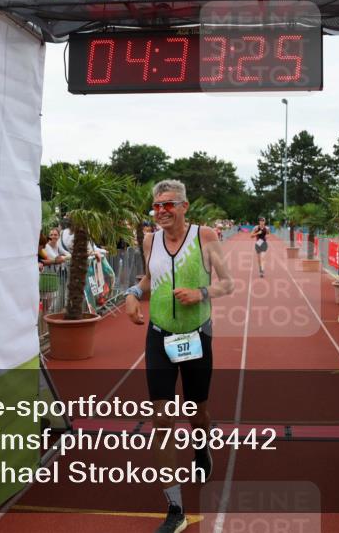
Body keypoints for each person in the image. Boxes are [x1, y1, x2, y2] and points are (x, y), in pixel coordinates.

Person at [124, 180, 234, 533]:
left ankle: (202, 447)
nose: (161, 212)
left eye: (168, 205)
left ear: (184, 207)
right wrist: (131, 293)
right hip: (158, 336)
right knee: (161, 417)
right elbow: (147, 278)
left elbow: (227, 283)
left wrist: (201, 292)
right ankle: (175, 508)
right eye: (156, 207)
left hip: (196, 336)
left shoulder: (205, 238)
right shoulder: (149, 240)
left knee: (197, 410)